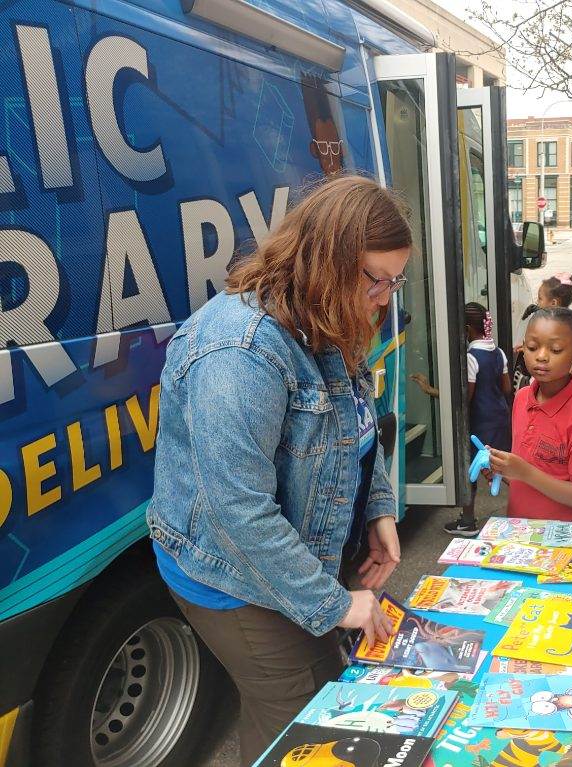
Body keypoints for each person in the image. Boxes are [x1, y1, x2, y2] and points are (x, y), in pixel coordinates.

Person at [147, 176, 408, 766]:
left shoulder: (322, 313)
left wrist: (379, 509)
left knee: (309, 697)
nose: (385, 299)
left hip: (285, 556)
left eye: (395, 281)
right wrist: (334, 604)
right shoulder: (239, 353)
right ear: (328, 260)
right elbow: (239, 511)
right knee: (300, 714)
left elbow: (355, 423)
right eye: (378, 280)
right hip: (232, 576)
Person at [488, 308, 572, 521]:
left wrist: (524, 472)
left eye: (556, 349)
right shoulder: (522, 398)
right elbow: (528, 477)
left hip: (563, 536)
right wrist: (502, 470)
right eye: (532, 347)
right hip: (520, 530)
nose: (541, 356)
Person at [411, 303, 511, 537]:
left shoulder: (471, 357)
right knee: (502, 466)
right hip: (500, 418)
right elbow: (507, 388)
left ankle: (467, 522)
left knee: (471, 469)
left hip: (480, 424)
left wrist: (431, 390)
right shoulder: (499, 352)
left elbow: (465, 398)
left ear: (467, 329)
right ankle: (534, 499)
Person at [511, 272, 572, 392]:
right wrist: (528, 348)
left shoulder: (559, 328)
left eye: (540, 298)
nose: (537, 302)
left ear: (553, 303)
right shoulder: (568, 324)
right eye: (533, 347)